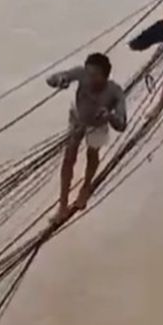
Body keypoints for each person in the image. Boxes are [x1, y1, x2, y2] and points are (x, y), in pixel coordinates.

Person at [45, 52, 128, 223]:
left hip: (98, 125)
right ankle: (62, 205)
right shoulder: (81, 74)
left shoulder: (115, 92)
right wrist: (60, 80)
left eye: (95, 75)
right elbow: (51, 79)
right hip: (78, 118)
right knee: (69, 158)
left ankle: (85, 188)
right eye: (88, 74)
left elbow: (122, 125)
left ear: (105, 76)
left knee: (92, 153)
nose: (89, 78)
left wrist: (110, 116)